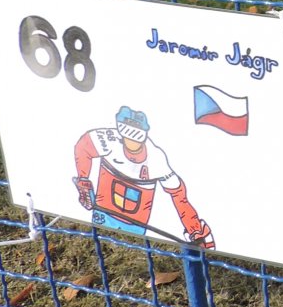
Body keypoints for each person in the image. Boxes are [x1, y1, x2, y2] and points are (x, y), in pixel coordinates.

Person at [72, 105, 214, 248]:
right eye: (127, 138)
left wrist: (195, 230)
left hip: (135, 224)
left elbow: (178, 194)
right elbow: (83, 146)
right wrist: (83, 181)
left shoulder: (156, 159)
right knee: (96, 246)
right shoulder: (109, 140)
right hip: (104, 213)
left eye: (136, 140)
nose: (132, 145)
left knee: (129, 251)